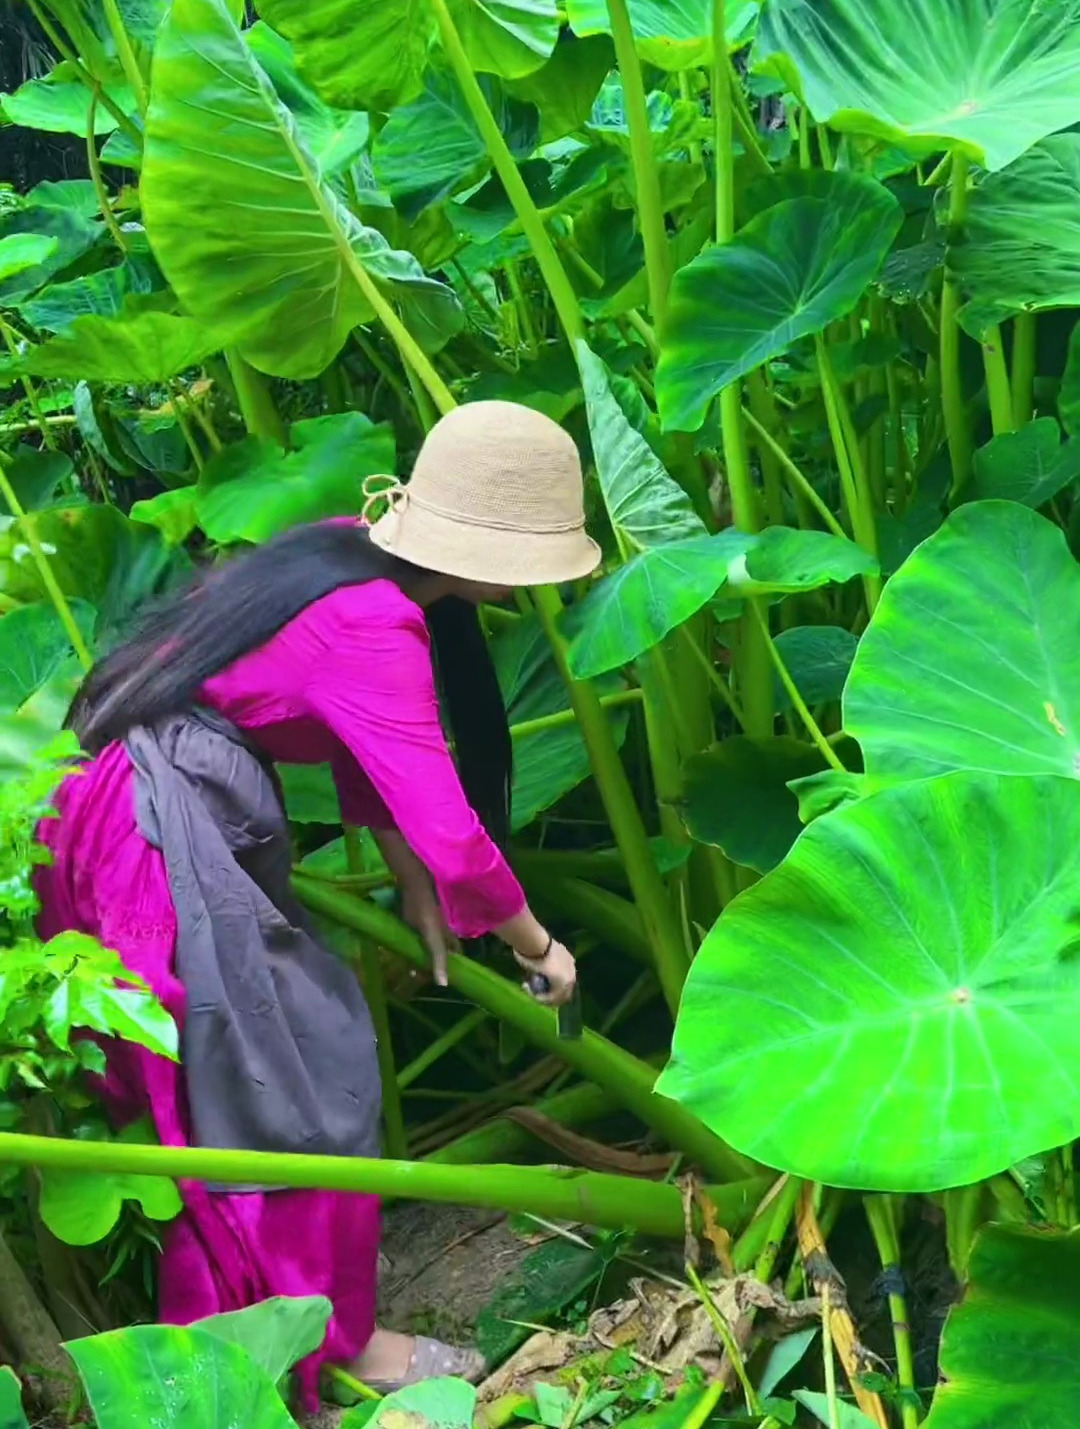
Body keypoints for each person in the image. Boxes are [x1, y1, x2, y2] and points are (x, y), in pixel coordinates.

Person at [35, 400, 599, 1407]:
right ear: (488, 556)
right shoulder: (375, 618)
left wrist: (418, 891)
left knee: (281, 1058)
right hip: (151, 829)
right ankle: (320, 1347)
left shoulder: (346, 552)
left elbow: (363, 745)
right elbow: (452, 825)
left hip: (125, 796)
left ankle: (315, 1325)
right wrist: (539, 944)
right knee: (267, 1082)